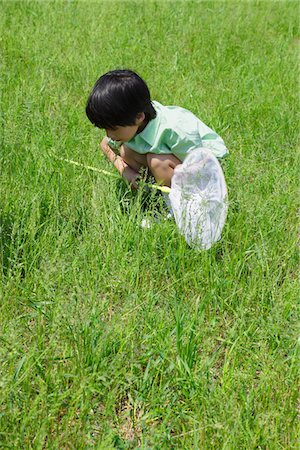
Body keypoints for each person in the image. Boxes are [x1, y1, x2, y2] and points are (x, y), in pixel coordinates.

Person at [86, 69, 228, 189]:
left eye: (113, 128)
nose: (109, 134)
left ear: (139, 117)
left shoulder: (175, 130)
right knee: (126, 151)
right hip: (180, 159)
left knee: (157, 161)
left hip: (207, 164)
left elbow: (202, 167)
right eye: (105, 128)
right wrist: (124, 170)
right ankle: (155, 190)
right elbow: (105, 145)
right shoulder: (129, 122)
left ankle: (174, 208)